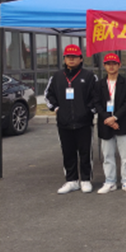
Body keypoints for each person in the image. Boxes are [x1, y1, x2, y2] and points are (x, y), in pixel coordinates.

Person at [45, 44, 99, 194]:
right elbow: (48, 95)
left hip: (84, 122)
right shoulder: (56, 77)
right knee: (68, 152)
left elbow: (96, 97)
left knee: (85, 152)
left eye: (74, 57)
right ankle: (71, 180)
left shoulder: (89, 76)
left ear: (81, 59)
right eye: (68, 57)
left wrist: (89, 111)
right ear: (64, 59)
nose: (71, 59)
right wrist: (56, 108)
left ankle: (86, 180)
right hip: (64, 122)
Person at [95, 53, 126, 194]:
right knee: (107, 155)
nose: (111, 66)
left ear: (119, 65)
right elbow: (97, 103)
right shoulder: (99, 84)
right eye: (108, 64)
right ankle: (110, 181)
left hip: (123, 122)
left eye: (114, 63)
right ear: (104, 66)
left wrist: (115, 117)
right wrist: (109, 119)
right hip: (105, 123)